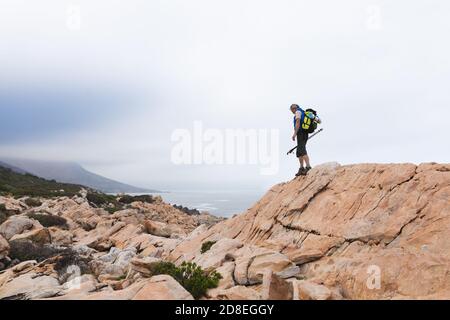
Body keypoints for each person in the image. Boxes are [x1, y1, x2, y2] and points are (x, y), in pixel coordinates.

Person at [290, 104, 321, 176]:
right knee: (299, 151)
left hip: (301, 132)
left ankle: (308, 167)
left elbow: (297, 122)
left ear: (293, 108)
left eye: (291, 110)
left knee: (302, 150)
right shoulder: (305, 113)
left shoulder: (298, 112)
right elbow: (319, 121)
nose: (291, 111)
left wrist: (295, 133)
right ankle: (301, 168)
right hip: (304, 133)